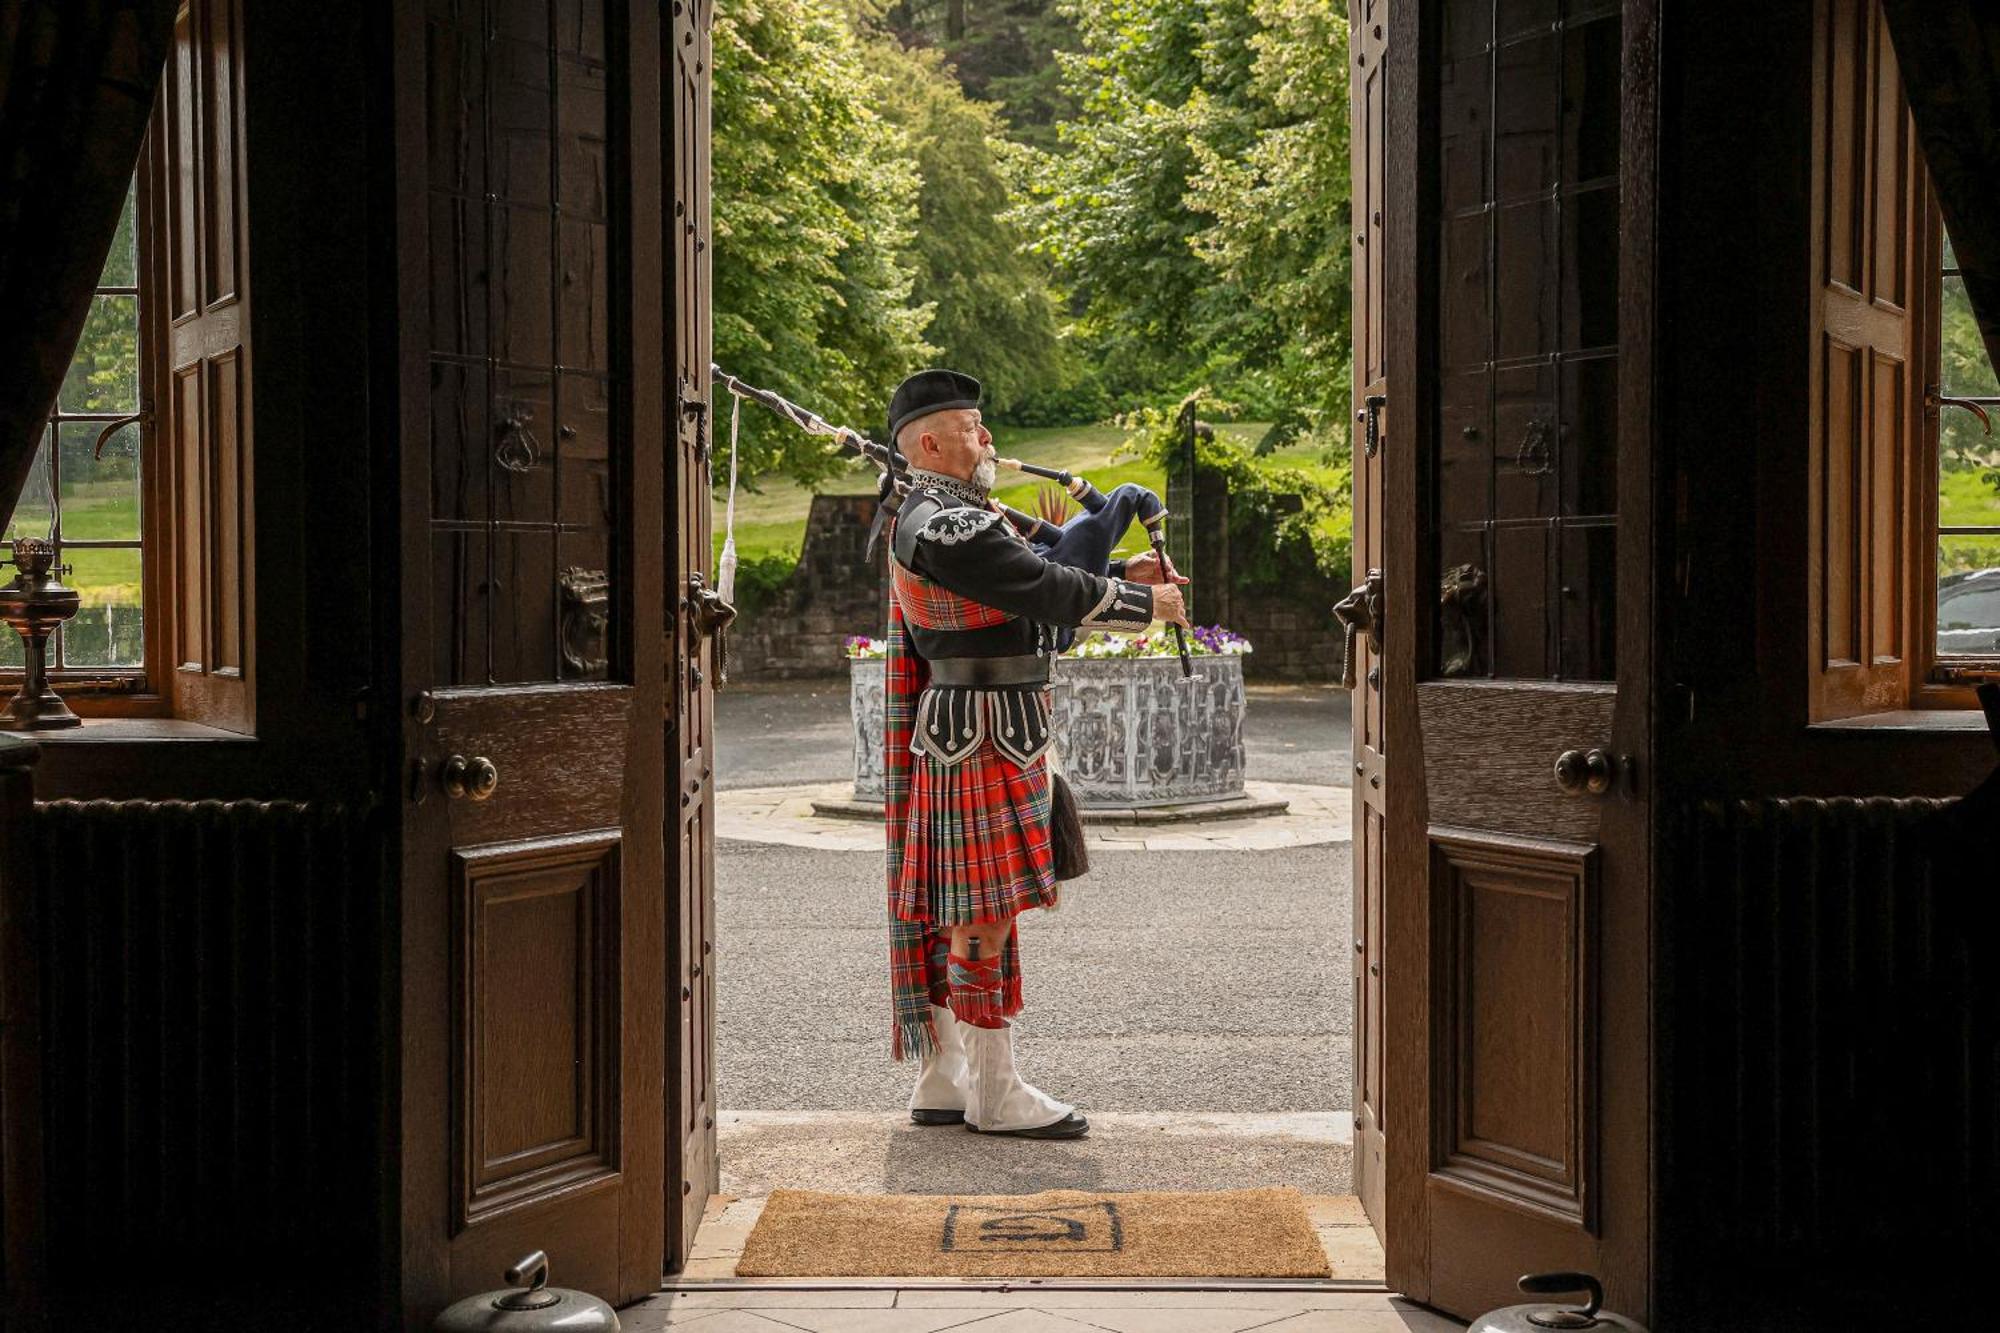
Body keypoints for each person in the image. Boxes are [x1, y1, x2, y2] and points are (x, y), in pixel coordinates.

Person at [880, 368, 1190, 1139]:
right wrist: (1145, 604)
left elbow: (1024, 591)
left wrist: (1120, 574)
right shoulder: (942, 519)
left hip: (985, 726)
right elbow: (1032, 583)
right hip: (982, 731)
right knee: (981, 910)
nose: (987, 438)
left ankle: (946, 1075)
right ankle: (995, 1090)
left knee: (964, 908)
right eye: (973, 426)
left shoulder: (953, 514)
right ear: (927, 441)